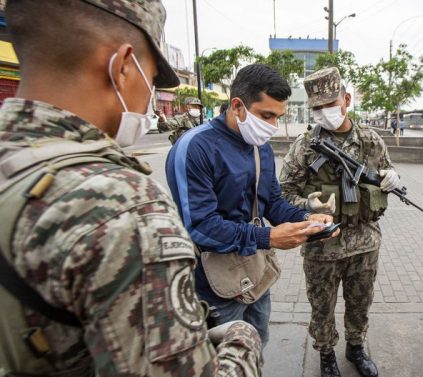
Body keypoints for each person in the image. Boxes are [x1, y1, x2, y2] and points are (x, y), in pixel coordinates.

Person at [0, 0, 262, 376]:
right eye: (153, 79)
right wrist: (242, 340)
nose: (149, 97)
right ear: (123, 66)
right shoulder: (124, 208)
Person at [165, 63, 335, 351]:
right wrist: (267, 238)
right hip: (214, 282)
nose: (271, 126)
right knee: (225, 357)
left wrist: (308, 219)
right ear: (237, 106)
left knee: (257, 347)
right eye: (266, 115)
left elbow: (274, 203)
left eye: (278, 118)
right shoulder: (195, 147)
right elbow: (201, 226)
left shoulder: (261, 147)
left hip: (256, 272)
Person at [279, 67, 399, 377]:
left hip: (365, 243)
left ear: (346, 99)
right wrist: (307, 205)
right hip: (323, 246)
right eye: (316, 107)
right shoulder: (305, 145)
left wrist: (391, 179)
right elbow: (282, 194)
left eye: (329, 104)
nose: (323, 112)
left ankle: (355, 347)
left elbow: (385, 173)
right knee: (322, 307)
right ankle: (327, 354)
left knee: (360, 302)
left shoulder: (371, 141)